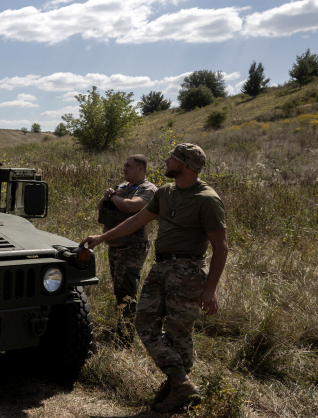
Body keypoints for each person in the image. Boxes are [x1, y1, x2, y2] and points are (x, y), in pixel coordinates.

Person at [81, 143, 228, 413]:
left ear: (185, 165)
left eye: (171, 159)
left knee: (178, 333)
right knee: (143, 322)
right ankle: (182, 384)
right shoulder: (165, 192)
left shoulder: (206, 199)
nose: (166, 161)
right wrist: (102, 237)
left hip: (188, 271)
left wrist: (210, 288)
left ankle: (176, 392)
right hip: (161, 268)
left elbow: (221, 246)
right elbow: (137, 220)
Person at [96, 155, 157, 346]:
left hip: (132, 247)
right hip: (116, 247)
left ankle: (125, 337)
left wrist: (114, 197)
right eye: (124, 166)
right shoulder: (122, 187)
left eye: (129, 166)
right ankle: (121, 329)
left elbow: (132, 206)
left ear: (141, 169)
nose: (124, 169)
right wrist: (106, 197)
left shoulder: (148, 189)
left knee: (127, 292)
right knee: (119, 290)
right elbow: (101, 206)